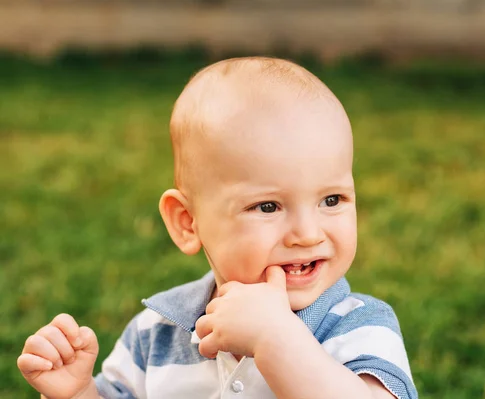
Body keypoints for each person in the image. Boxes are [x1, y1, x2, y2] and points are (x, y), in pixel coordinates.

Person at [17, 56, 418, 399]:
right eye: (268, 206)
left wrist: (276, 339)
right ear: (187, 222)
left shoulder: (358, 326)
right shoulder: (156, 333)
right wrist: (79, 392)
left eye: (331, 200)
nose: (308, 233)